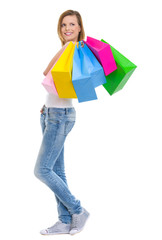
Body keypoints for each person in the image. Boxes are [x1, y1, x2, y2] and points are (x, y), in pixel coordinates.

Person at [34, 10, 89, 235]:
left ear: (79, 28)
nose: (67, 28)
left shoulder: (75, 50)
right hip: (50, 112)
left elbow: (48, 72)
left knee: (42, 170)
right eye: (64, 24)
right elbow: (49, 75)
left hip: (61, 115)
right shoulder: (67, 49)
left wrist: (69, 46)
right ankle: (65, 221)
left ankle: (78, 210)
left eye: (72, 25)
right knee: (57, 170)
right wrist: (47, 107)